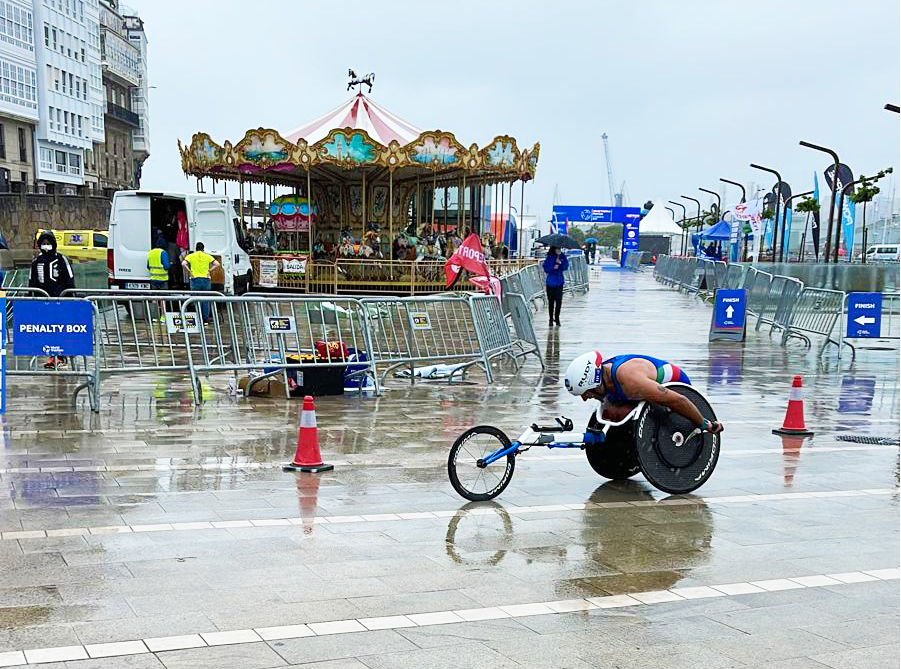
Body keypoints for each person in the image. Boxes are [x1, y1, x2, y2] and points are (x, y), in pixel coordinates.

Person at [563, 351, 724, 433]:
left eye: (586, 393)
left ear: (594, 382)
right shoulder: (604, 376)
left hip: (676, 386)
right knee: (613, 411)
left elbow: (678, 400)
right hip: (641, 391)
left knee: (619, 409)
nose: (585, 399)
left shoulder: (630, 381)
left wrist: (705, 424)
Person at [29, 231, 75, 368]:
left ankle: (62, 357)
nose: (46, 246)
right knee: (47, 330)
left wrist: (70, 295)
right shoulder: (36, 261)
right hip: (43, 302)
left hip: (60, 301)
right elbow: (32, 281)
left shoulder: (61, 259)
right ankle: (52, 357)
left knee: (60, 329)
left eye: (48, 243)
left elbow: (69, 278)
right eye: (43, 243)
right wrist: (31, 297)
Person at [181, 242, 220, 321]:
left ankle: (197, 317)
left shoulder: (191, 256)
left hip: (195, 279)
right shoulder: (207, 256)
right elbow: (217, 264)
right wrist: (209, 270)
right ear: (203, 248)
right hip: (206, 279)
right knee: (205, 299)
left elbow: (183, 263)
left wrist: (190, 271)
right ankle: (205, 319)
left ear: (196, 248)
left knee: (195, 299)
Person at [542, 246, 568, 327]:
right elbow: (546, 268)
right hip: (550, 282)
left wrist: (560, 263)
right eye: (557, 249)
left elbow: (566, 266)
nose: (558, 250)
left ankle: (557, 317)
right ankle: (550, 319)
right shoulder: (550, 257)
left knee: (559, 301)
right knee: (551, 301)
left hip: (559, 282)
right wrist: (554, 267)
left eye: (559, 249)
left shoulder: (563, 257)